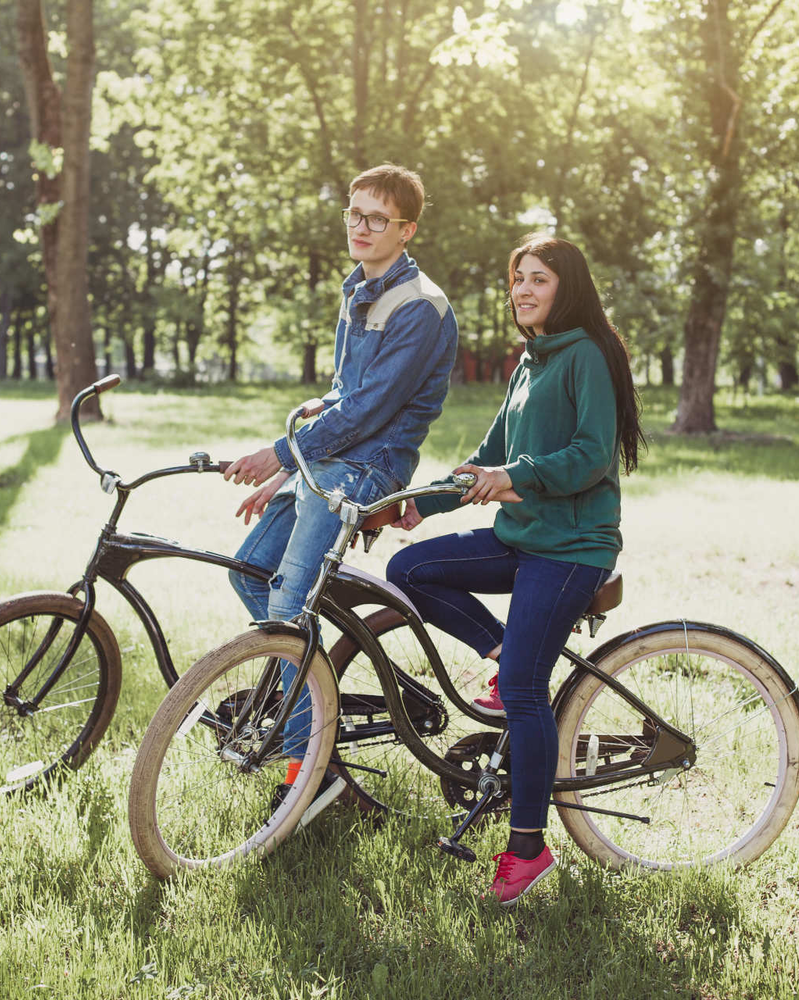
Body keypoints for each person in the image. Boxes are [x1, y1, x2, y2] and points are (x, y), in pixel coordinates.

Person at [386, 234, 646, 906]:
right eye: (518, 279)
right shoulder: (530, 362)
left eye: (539, 279)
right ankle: (503, 649)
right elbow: (485, 460)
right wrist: (418, 503)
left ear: (568, 287)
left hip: (571, 548)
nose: (524, 290)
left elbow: (592, 455)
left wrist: (513, 477)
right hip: (524, 536)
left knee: (526, 694)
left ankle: (527, 849)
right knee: (410, 569)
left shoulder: (586, 354)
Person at [224, 163, 458, 821]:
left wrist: (278, 453)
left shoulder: (420, 306)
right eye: (354, 213)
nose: (360, 226)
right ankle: (317, 712)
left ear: (407, 229)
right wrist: (287, 469)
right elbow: (338, 395)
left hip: (367, 468)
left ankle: (312, 776)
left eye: (376, 218)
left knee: (289, 604)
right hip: (326, 463)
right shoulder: (358, 288)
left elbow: (368, 413)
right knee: (251, 576)